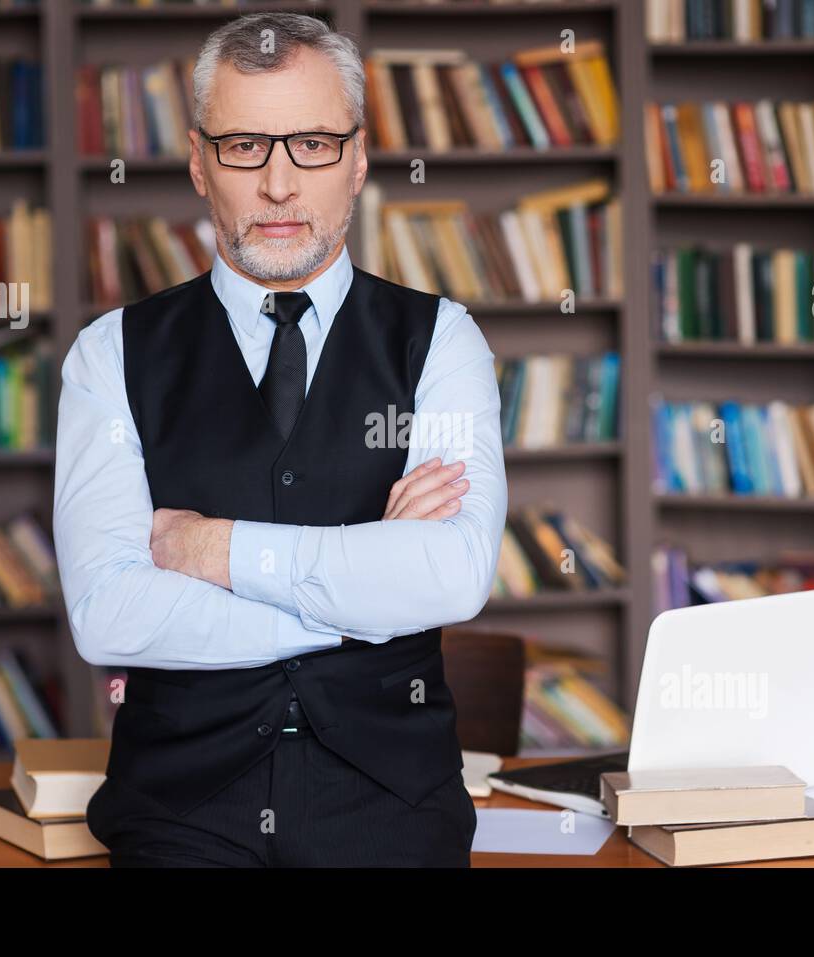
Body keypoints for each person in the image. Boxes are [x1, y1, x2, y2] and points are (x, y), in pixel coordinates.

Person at [52, 11, 507, 866]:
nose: (279, 186)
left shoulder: (443, 341)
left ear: (360, 158)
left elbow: (452, 574)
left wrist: (206, 546)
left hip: (393, 803)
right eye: (244, 147)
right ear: (197, 161)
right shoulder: (110, 354)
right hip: (180, 809)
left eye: (312, 145)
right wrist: (364, 592)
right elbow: (108, 615)